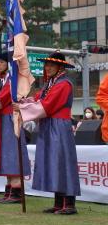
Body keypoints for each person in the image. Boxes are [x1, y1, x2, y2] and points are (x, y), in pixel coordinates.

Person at [17, 52, 80, 215]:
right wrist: (23, 101)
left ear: (60, 66)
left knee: (62, 161)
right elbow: (38, 99)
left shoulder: (64, 84)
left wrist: (23, 108)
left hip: (59, 126)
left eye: (51, 65)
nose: (48, 67)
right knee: (54, 162)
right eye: (47, 64)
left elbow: (47, 105)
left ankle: (69, 203)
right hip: (49, 125)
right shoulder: (50, 84)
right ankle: (59, 202)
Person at [0, 53, 30, 204]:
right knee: (6, 154)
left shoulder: (12, 80)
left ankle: (16, 191)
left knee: (12, 153)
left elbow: (2, 99)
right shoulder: (4, 81)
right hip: (4, 119)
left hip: (11, 119)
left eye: (2, 62)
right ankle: (10, 189)